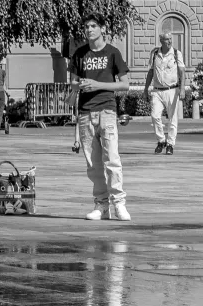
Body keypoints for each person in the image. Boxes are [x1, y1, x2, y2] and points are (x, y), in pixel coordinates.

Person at [71, 13, 131, 221]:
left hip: (106, 110)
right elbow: (73, 82)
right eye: (86, 26)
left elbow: (124, 84)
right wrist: (76, 88)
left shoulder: (112, 53)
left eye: (93, 26)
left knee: (112, 159)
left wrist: (98, 85)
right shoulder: (79, 54)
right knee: (93, 164)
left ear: (102, 29)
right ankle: (101, 205)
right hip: (86, 113)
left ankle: (119, 204)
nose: (89, 30)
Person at [143, 31, 185, 155]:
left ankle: (170, 144)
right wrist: (146, 89)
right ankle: (161, 140)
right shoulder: (155, 53)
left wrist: (182, 89)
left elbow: (182, 72)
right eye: (167, 39)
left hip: (172, 90)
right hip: (157, 91)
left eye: (170, 39)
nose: (170, 41)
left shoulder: (177, 54)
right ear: (161, 40)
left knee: (172, 119)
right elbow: (150, 72)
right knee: (155, 116)